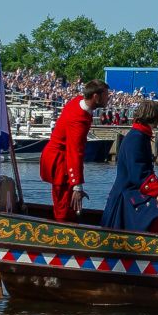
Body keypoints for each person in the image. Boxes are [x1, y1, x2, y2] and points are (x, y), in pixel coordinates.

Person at [39, 80, 108, 222]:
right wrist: (77, 186)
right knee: (64, 205)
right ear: (96, 96)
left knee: (65, 203)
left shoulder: (77, 101)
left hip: (59, 157)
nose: (108, 99)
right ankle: (61, 234)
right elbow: (75, 152)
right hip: (60, 161)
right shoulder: (78, 121)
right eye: (106, 95)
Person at [102, 100, 158, 233]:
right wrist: (157, 193)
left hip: (132, 191)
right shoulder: (137, 137)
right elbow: (139, 172)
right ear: (154, 117)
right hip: (126, 195)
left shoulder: (140, 135)